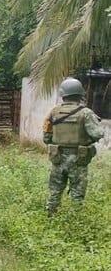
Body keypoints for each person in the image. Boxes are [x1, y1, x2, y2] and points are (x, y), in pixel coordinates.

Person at [43, 77, 105, 215]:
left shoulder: (53, 113)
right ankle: (75, 220)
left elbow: (46, 137)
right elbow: (97, 134)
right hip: (79, 159)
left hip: (57, 158)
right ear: (80, 94)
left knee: (55, 190)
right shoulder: (86, 113)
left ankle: (50, 215)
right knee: (77, 193)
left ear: (63, 94)